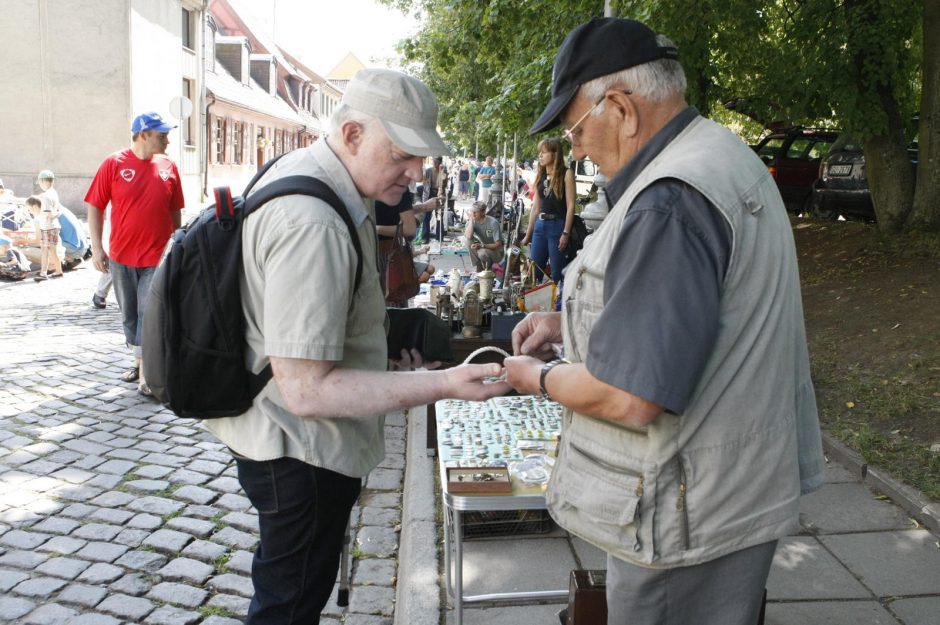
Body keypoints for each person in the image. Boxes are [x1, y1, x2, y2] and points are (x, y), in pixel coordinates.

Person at [504, 17, 824, 625]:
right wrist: (565, 325)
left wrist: (537, 378)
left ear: (620, 106)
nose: (574, 149)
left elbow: (630, 397)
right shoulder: (716, 151)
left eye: (574, 127)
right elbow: (687, 314)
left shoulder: (669, 199)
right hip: (722, 493)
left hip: (685, 516)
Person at [202, 68, 511, 625]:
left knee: (291, 590)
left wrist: (384, 355)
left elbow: (329, 329)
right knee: (287, 604)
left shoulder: (331, 181)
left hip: (294, 443)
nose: (416, 173)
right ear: (352, 136)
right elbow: (307, 390)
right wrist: (441, 385)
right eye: (403, 155)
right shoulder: (313, 221)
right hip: (298, 449)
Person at [85, 111, 185, 396]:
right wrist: (98, 247)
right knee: (129, 315)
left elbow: (175, 209)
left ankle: (146, 373)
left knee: (149, 313)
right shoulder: (114, 164)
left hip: (157, 256)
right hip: (121, 257)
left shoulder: (169, 166)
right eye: (161, 135)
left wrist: (176, 245)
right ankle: (139, 359)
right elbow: (95, 206)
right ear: (142, 135)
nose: (167, 140)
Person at [520, 137, 576, 284]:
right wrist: (528, 235)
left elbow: (571, 205)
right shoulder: (541, 175)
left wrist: (566, 232)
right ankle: (534, 303)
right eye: (540, 153)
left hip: (557, 225)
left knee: (558, 273)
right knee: (533, 271)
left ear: (554, 154)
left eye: (544, 152)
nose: (540, 156)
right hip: (540, 225)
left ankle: (560, 303)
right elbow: (536, 208)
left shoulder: (566, 173)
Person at [376, 184, 438, 305]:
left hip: (385, 252)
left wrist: (424, 207)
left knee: (391, 301)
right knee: (391, 305)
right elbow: (409, 228)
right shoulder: (396, 184)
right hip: (386, 254)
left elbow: (394, 211)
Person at [25, 195, 63, 281]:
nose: (29, 211)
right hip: (47, 230)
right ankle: (50, 272)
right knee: (46, 251)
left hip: (50, 230)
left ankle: (49, 272)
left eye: (29, 209)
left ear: (34, 207)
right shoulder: (39, 214)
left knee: (50, 252)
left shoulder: (43, 212)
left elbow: (52, 216)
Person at [464, 200, 504, 271]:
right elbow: (468, 236)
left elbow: (498, 244)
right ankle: (478, 266)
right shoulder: (473, 220)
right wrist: (471, 221)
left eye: (475, 212)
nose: (473, 214)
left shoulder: (493, 223)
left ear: (483, 212)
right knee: (468, 241)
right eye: (472, 212)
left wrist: (482, 246)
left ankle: (488, 269)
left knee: (482, 253)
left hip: (496, 252)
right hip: (484, 247)